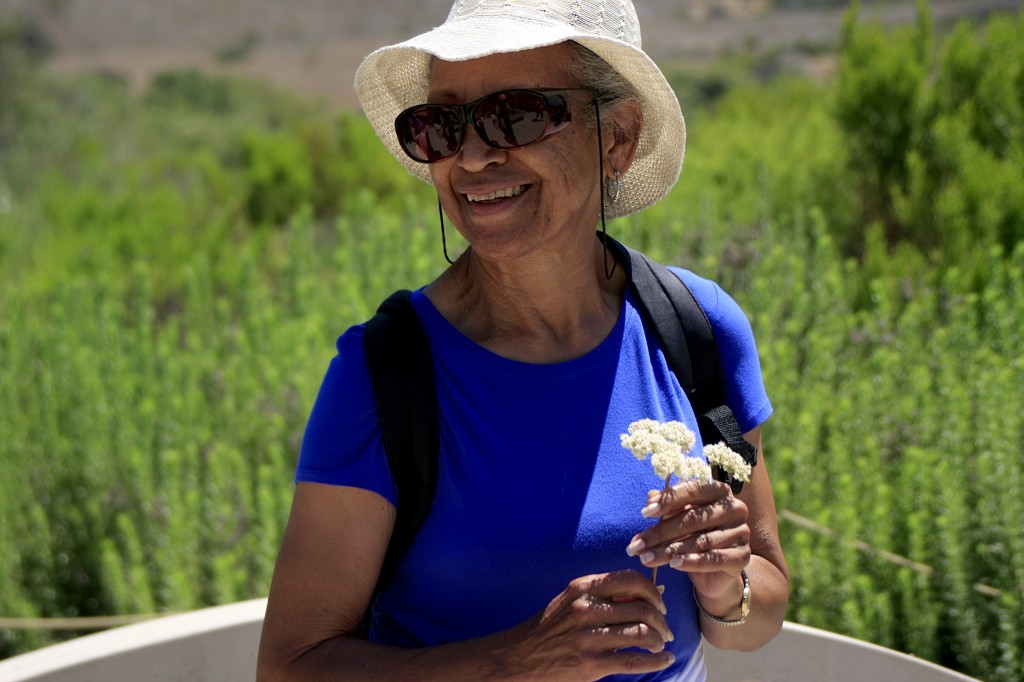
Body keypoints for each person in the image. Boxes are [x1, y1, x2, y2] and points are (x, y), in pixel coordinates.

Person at [257, 0, 789, 679]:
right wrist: (516, 662)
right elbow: (290, 667)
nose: (473, 156)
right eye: (442, 125)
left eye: (518, 114)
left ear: (617, 138)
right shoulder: (385, 374)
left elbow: (759, 610)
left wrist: (725, 586)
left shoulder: (697, 328)